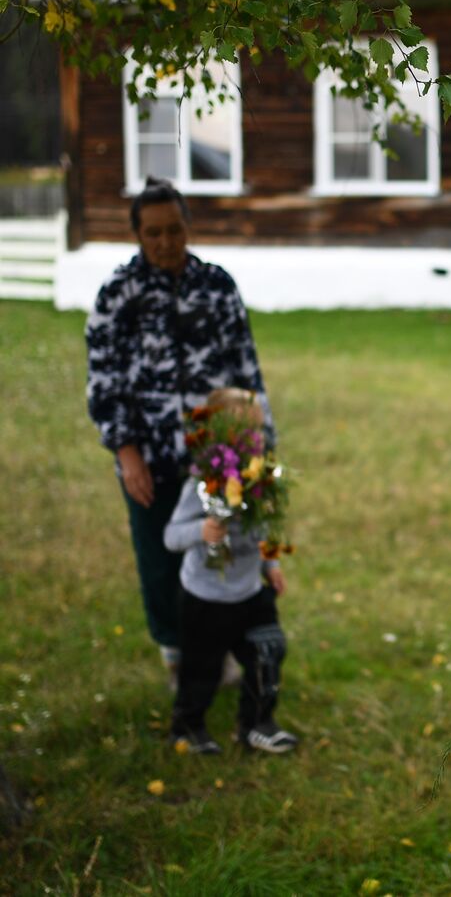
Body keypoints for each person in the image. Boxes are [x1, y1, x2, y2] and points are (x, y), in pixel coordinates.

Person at [85, 178, 274, 685]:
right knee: (159, 557)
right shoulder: (118, 294)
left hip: (217, 457)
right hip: (149, 455)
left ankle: (221, 646)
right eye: (153, 234)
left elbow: (245, 368)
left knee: (223, 548)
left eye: (174, 230)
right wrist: (127, 455)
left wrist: (260, 442)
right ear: (137, 235)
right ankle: (176, 652)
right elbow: (104, 381)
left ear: (188, 226)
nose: (165, 242)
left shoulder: (217, 286)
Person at [163, 388, 297, 755]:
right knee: (201, 670)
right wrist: (201, 531)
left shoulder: (261, 480)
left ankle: (256, 725)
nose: (254, 441)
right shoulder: (200, 485)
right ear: (220, 437)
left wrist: (272, 564)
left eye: (256, 432)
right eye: (244, 434)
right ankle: (187, 728)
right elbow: (171, 536)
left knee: (267, 652)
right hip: (206, 598)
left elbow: (266, 527)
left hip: (250, 592)